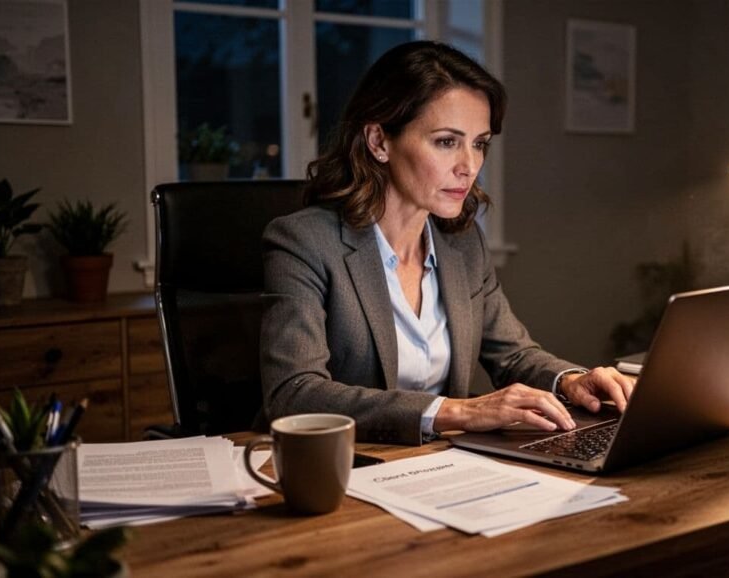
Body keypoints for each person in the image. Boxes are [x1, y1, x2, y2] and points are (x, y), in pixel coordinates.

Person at [260, 41, 634, 446]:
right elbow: (293, 393)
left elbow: (513, 355)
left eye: (479, 143)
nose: (469, 166)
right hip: (345, 470)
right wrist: (457, 411)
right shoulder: (305, 242)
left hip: (442, 466)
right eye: (445, 141)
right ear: (379, 141)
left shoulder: (462, 243)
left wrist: (573, 380)